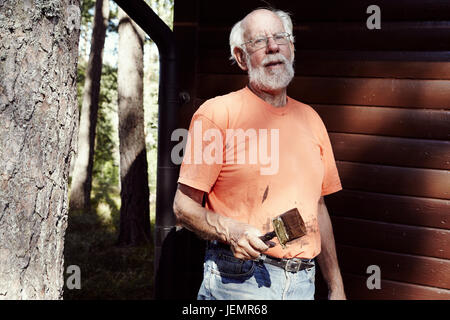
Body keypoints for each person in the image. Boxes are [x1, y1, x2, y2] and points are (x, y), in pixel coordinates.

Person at [173, 7, 346, 300]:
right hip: (239, 281)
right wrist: (231, 230)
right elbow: (182, 207)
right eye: (259, 41)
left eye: (281, 37)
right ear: (241, 57)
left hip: (304, 281)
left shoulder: (312, 120)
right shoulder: (217, 115)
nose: (273, 46)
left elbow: (318, 207)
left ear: (291, 47)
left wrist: (336, 287)